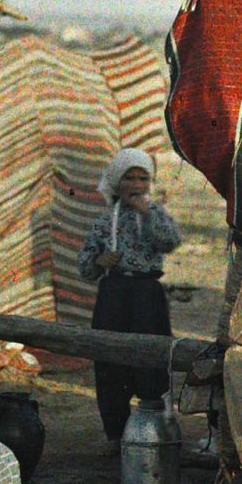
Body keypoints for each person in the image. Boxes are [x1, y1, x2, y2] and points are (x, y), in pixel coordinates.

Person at [73, 148, 181, 451]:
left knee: (152, 359)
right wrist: (100, 262)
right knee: (109, 361)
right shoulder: (105, 220)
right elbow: (84, 265)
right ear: (116, 182)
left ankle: (154, 431)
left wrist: (147, 213)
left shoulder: (156, 215)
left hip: (147, 295)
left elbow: (170, 240)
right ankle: (116, 434)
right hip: (114, 294)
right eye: (129, 178)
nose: (135, 185)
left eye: (142, 178)